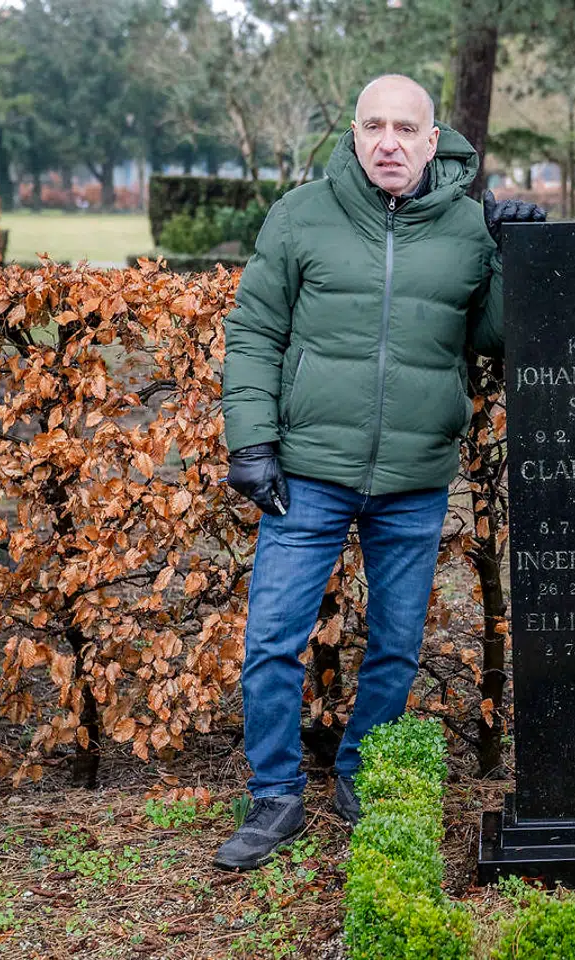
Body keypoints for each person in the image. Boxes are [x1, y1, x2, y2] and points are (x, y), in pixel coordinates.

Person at [213, 74, 544, 871]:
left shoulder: (468, 226)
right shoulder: (301, 214)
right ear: (355, 135)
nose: (388, 142)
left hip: (415, 478)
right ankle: (275, 795)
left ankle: (362, 773)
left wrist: (517, 256)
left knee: (397, 644)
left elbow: (498, 339)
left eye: (404, 128)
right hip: (308, 473)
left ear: (433, 142)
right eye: (373, 126)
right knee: (272, 641)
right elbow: (254, 331)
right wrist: (250, 441)